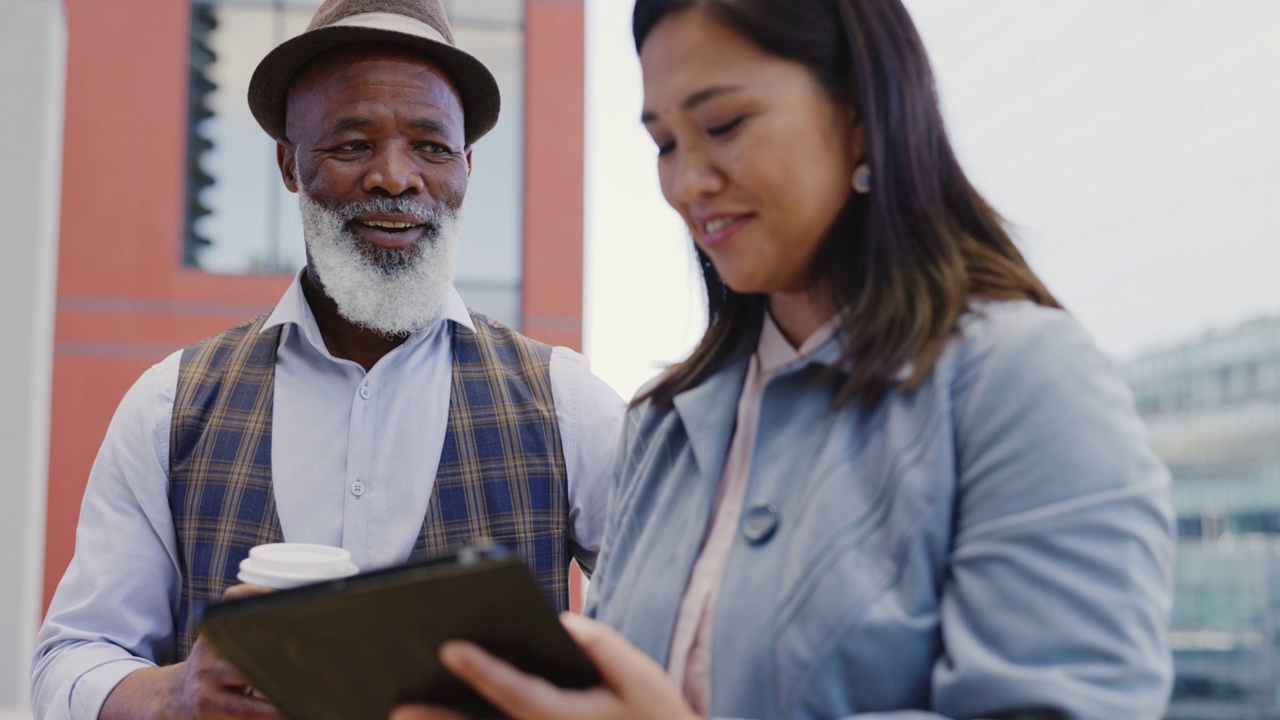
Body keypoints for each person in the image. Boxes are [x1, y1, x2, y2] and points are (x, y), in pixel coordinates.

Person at [392, 0, 1176, 718]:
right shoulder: (662, 428)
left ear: (864, 115)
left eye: (725, 124)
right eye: (664, 143)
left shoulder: (1025, 382)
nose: (687, 183)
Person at [30, 1, 624, 718]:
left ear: (466, 168)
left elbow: (674, 641)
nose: (396, 178)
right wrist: (175, 692)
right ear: (289, 163)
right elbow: (72, 656)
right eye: (352, 145)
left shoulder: (567, 404)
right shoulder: (171, 406)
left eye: (432, 148)